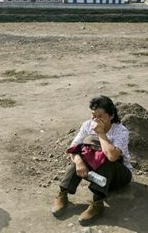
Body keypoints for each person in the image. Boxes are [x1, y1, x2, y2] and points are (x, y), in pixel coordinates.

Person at [51, 95, 133, 225]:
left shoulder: (120, 131)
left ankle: (97, 203)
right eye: (93, 115)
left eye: (100, 116)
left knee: (106, 158)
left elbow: (112, 156)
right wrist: (78, 162)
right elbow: (73, 147)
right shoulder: (87, 125)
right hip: (97, 173)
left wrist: (100, 133)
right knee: (80, 155)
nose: (95, 119)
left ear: (111, 115)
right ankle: (63, 193)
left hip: (118, 176)